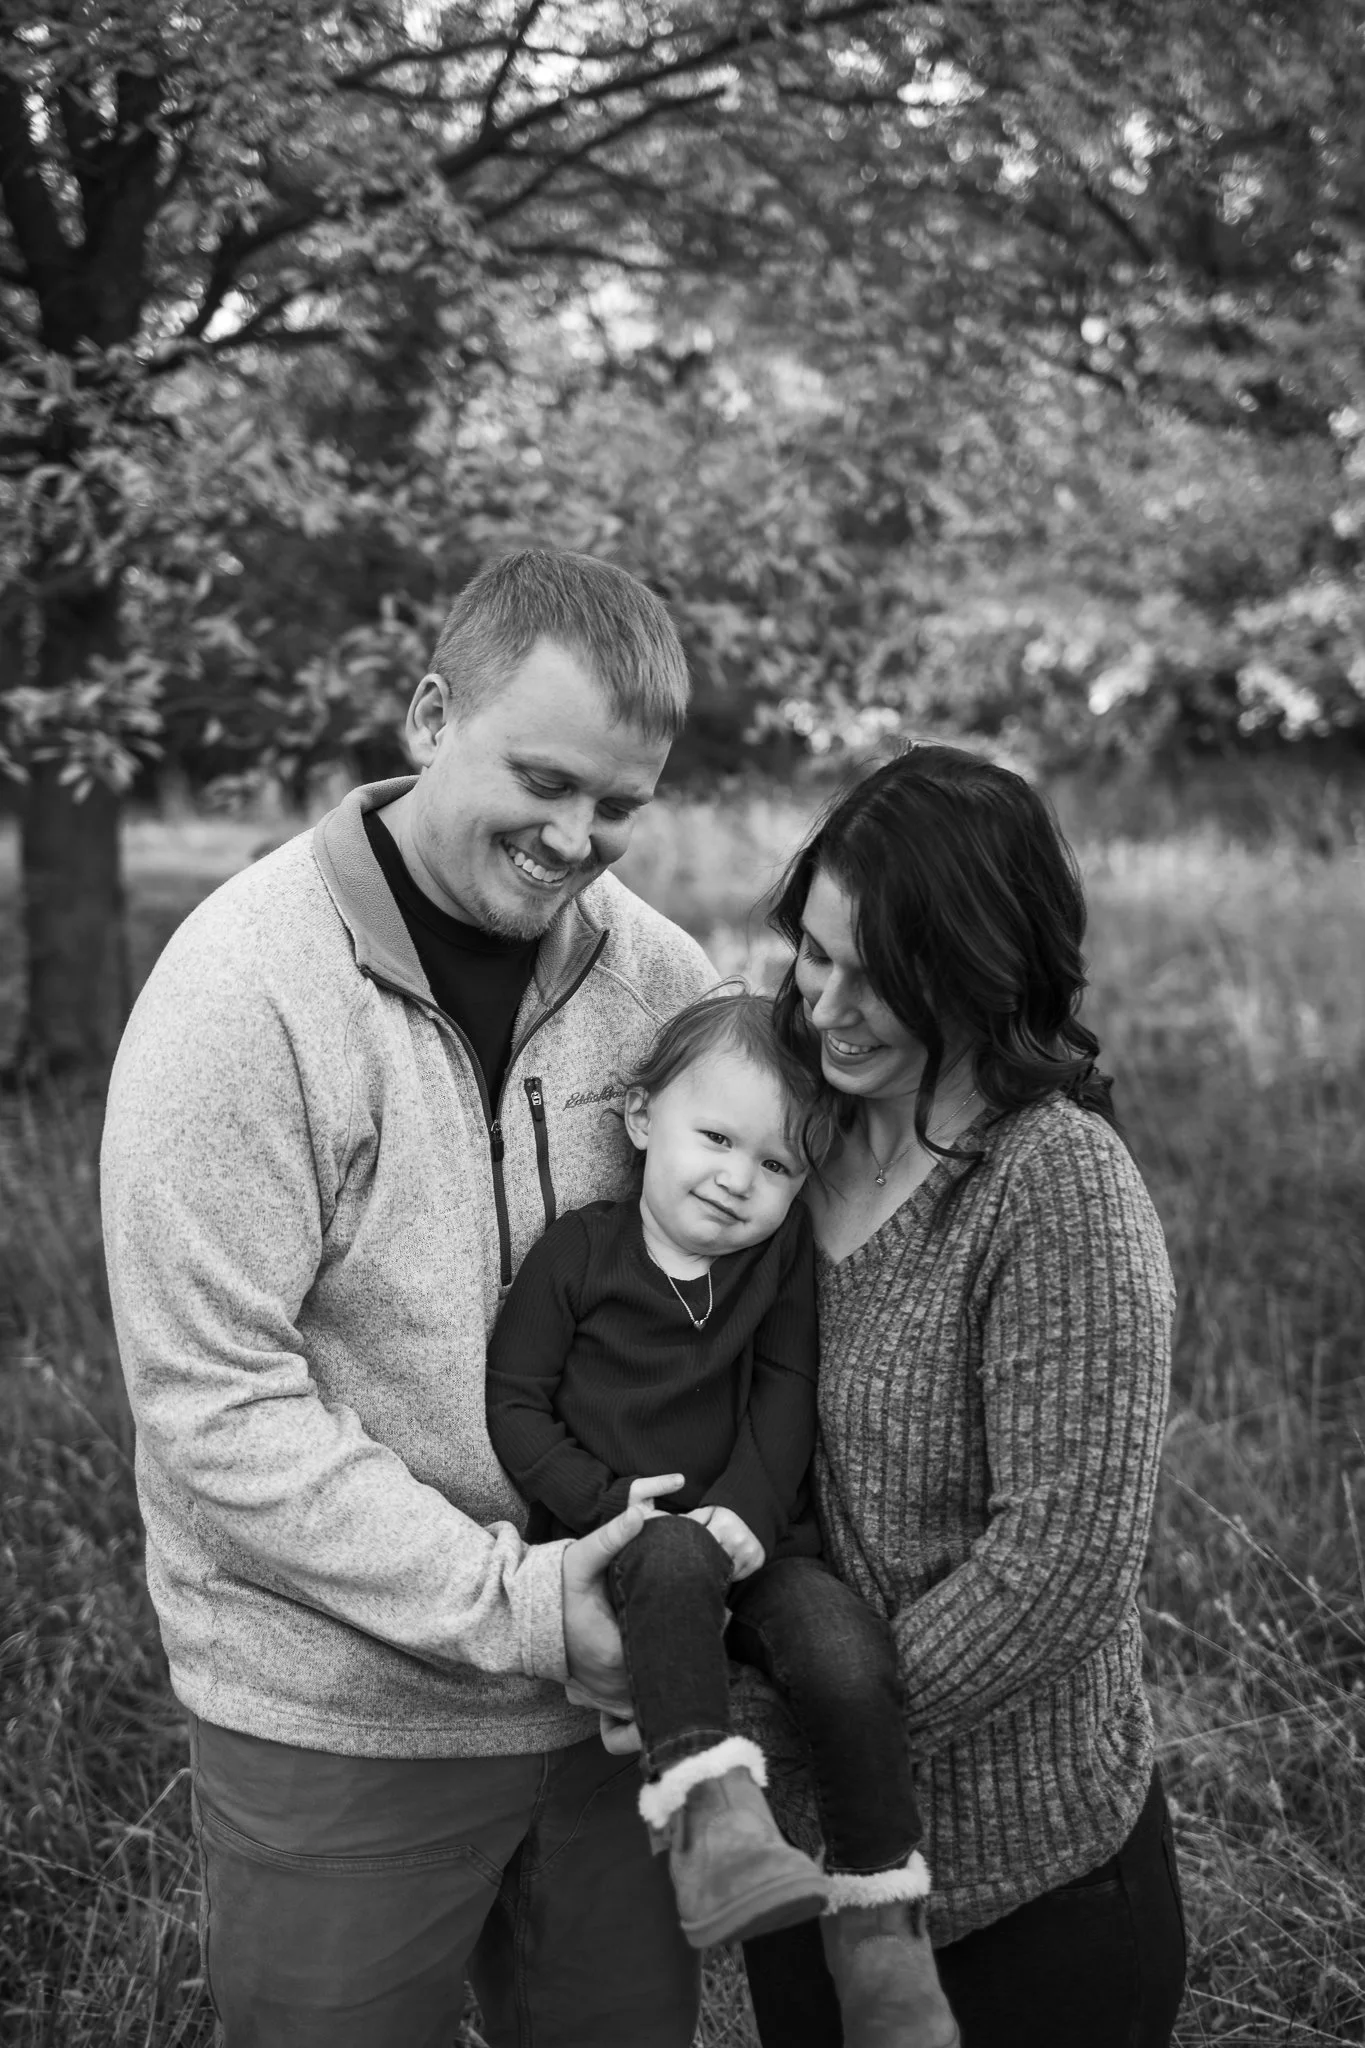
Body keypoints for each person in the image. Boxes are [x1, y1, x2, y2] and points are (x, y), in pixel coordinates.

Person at [100, 550, 719, 2048]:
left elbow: (733, 1294)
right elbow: (215, 1403)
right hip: (339, 1710)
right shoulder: (241, 991)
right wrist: (519, 1607)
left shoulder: (662, 983)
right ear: (433, 716)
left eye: (619, 805)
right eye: (544, 780)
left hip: (615, 1706)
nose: (575, 841)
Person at [737, 743, 1186, 2048]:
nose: (828, 1005)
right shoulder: (795, 1133)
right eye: (814, 952)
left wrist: (808, 1734)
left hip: (1029, 1895)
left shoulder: (1051, 1184)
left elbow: (1058, 1566)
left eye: (880, 975)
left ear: (984, 969)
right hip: (816, 1877)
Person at [485, 992, 961, 2046]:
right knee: (667, 1561)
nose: (738, 1179)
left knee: (844, 1649)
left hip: (753, 1542)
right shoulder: (579, 1254)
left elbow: (786, 1386)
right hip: (633, 1543)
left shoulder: (773, 1263)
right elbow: (514, 1403)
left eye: (778, 1164)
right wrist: (602, 1503)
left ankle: (882, 1924)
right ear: (640, 1118)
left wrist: (745, 1506)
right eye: (715, 1138)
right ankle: (713, 1826)